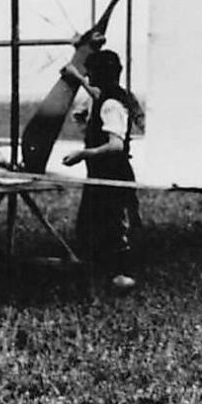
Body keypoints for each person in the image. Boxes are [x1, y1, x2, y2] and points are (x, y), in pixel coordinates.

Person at [61, 48, 141, 292]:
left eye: (91, 72)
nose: (89, 77)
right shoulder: (114, 95)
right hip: (103, 172)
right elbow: (94, 91)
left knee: (114, 225)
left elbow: (115, 146)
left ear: (100, 74)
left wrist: (84, 153)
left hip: (111, 172)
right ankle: (104, 272)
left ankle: (121, 274)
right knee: (94, 223)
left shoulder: (110, 105)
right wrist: (77, 77)